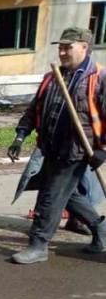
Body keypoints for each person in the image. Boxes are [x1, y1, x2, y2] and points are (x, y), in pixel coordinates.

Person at [7, 27, 106, 264]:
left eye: (67, 47)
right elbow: (34, 110)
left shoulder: (99, 77)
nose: (61, 52)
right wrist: (20, 136)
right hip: (50, 147)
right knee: (67, 195)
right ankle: (100, 229)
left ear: (84, 46)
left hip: (77, 151)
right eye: (60, 47)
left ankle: (39, 245)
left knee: (50, 197)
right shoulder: (52, 77)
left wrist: (103, 149)